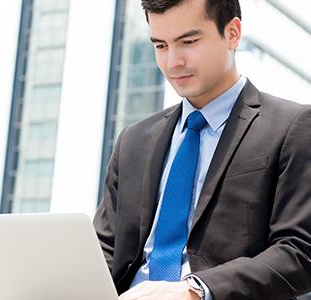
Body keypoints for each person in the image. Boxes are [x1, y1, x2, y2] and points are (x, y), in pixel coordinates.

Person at [93, 0, 311, 299]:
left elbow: (299, 251)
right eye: (160, 46)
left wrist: (194, 291)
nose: (173, 62)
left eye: (189, 42)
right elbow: (104, 250)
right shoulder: (134, 140)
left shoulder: (292, 127)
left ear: (232, 33)